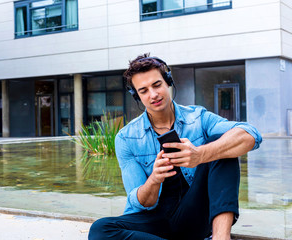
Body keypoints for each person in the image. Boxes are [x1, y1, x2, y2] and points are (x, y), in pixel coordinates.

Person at [88, 54, 262, 240]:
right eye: (144, 90)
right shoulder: (126, 138)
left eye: (156, 85)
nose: (153, 95)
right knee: (100, 230)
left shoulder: (198, 117)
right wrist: (154, 180)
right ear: (137, 96)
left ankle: (220, 238)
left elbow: (251, 135)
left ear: (168, 82)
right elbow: (142, 203)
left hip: (194, 215)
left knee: (222, 141)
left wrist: (200, 154)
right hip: (154, 220)